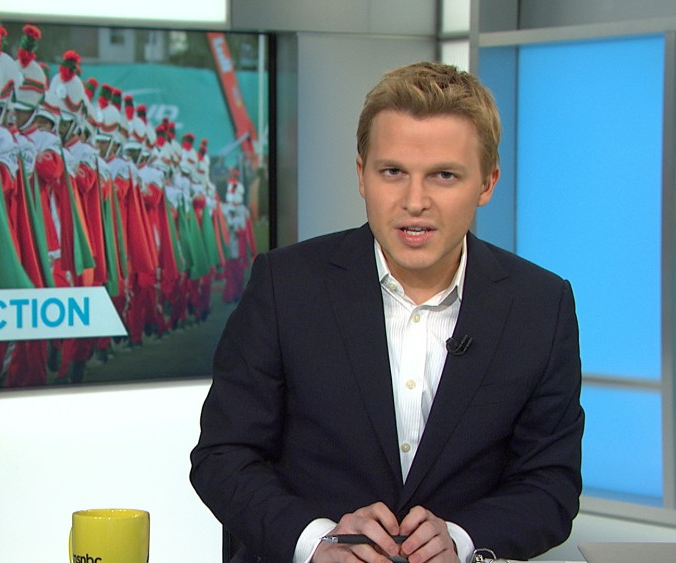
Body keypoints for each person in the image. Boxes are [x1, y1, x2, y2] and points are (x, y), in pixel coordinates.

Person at [189, 61, 583, 563]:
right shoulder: (284, 285)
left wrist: (460, 539)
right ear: (362, 175)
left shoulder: (540, 306)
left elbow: (550, 484)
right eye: (393, 172)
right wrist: (316, 542)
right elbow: (223, 455)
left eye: (444, 175)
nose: (414, 202)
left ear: (487, 183)